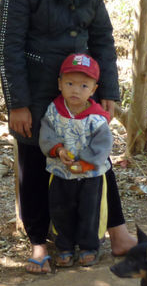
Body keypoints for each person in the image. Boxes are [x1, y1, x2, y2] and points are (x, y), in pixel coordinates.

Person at [0, 0, 137, 275]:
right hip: (38, 89)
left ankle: (119, 233)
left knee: (97, 153)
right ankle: (40, 244)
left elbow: (103, 36)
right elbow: (8, 45)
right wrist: (18, 103)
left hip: (82, 86)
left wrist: (107, 88)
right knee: (34, 162)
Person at [39, 53, 113, 267]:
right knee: (61, 210)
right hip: (60, 172)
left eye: (83, 85)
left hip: (90, 176)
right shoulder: (53, 111)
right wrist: (58, 150)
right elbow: (47, 134)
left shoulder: (97, 118)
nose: (75, 90)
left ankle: (89, 246)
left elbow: (102, 147)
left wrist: (86, 164)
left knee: (90, 212)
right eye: (70, 83)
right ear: (59, 84)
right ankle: (64, 247)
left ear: (93, 89)